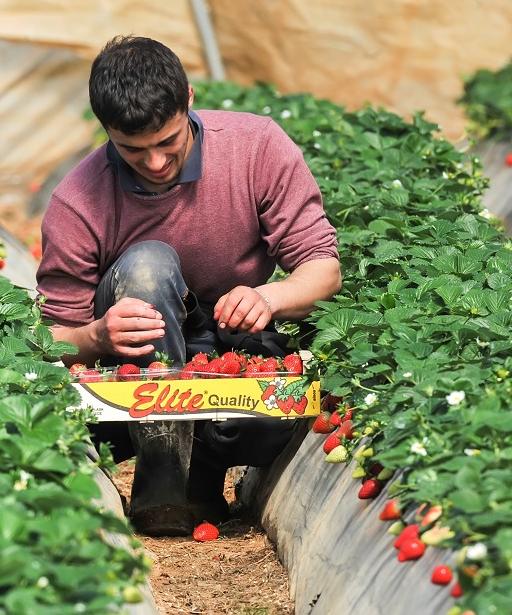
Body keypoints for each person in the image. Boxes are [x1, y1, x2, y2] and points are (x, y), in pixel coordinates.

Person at [36, 35, 342, 536]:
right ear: (106, 130)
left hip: (228, 345)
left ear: (190, 101)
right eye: (132, 149)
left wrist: (268, 297)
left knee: (269, 422)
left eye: (167, 142)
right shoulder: (78, 202)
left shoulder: (256, 147)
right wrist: (95, 337)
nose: (155, 163)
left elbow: (322, 268)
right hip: (134, 369)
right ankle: (162, 483)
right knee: (148, 267)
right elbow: (50, 338)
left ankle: (202, 473)